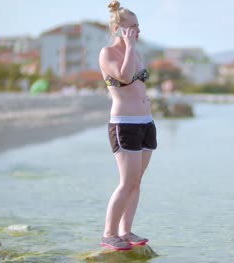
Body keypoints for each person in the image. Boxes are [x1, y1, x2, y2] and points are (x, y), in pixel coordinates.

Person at [98, 0, 157, 251]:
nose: (136, 31)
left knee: (137, 181)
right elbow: (123, 76)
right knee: (126, 181)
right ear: (117, 29)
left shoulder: (136, 51)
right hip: (125, 124)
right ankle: (109, 233)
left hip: (146, 122)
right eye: (131, 27)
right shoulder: (107, 53)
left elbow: (137, 81)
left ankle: (126, 230)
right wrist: (130, 45)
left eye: (138, 26)